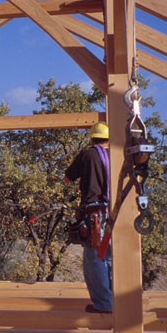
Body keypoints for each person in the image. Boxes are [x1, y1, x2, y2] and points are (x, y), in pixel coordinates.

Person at [64, 122, 112, 314]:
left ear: (92, 139)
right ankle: (115, 302)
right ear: (109, 139)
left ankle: (104, 304)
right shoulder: (117, 155)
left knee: (95, 259)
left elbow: (67, 178)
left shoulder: (88, 154)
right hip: (114, 213)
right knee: (110, 258)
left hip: (94, 215)